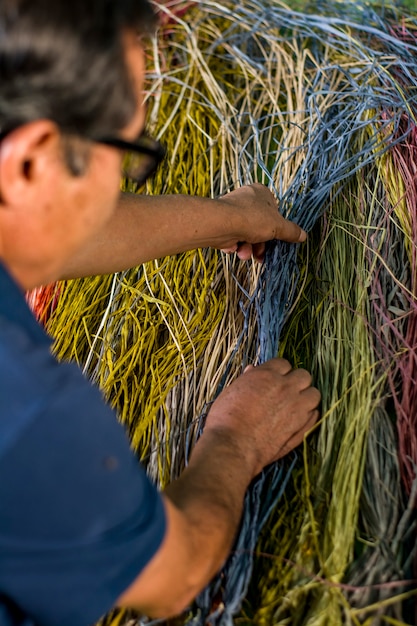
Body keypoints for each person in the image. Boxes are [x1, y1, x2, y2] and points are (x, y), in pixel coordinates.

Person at [0, 1, 321, 625]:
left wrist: (226, 216)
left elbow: (51, 227)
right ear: (34, 158)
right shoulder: (24, 408)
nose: (120, 179)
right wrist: (237, 437)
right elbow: (168, 578)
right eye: (124, 152)